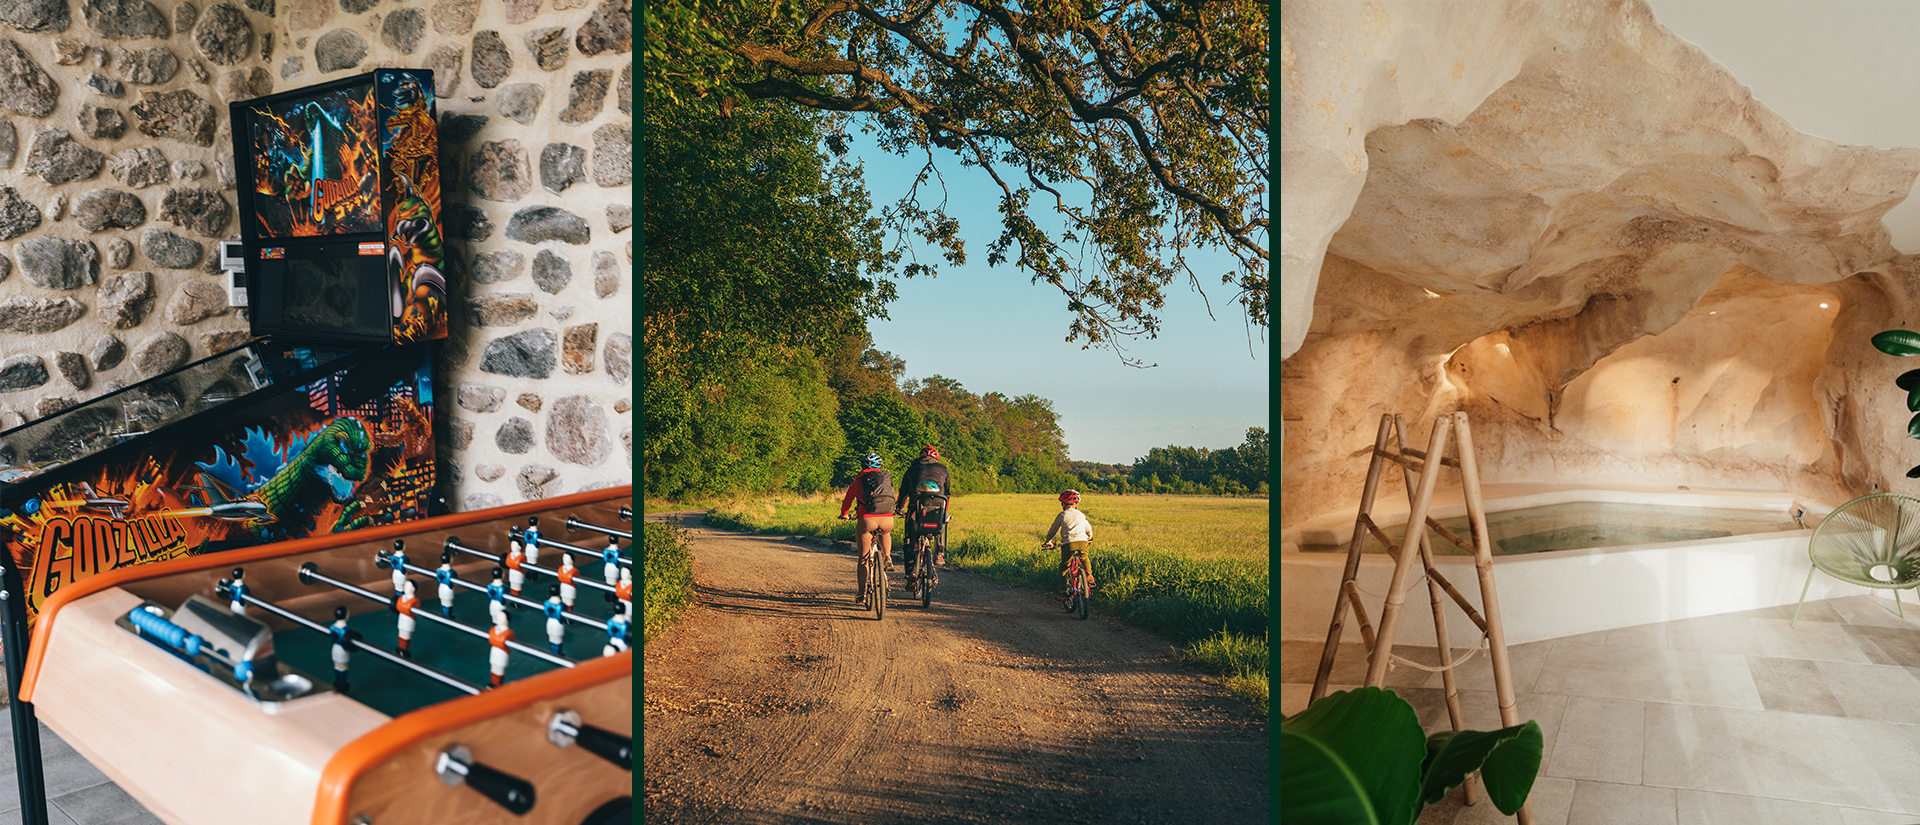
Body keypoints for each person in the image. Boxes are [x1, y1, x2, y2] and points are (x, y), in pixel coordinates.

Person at [838, 452, 897, 605]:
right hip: (887, 519)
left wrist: (844, 514)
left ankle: (861, 593)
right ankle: (887, 557)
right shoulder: (885, 480)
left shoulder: (857, 482)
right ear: (880, 466)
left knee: (863, 559)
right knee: (885, 532)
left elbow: (847, 501)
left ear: (862, 466)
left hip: (867, 520)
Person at [895, 445, 952, 590]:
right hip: (937, 510)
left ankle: (911, 575)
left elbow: (903, 493)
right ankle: (940, 553)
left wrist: (899, 508)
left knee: (909, 540)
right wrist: (944, 510)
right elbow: (947, 494)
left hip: (916, 509)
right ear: (936, 458)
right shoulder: (943, 469)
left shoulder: (911, 469)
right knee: (943, 521)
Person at [1040, 489, 1094, 601]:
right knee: (1084, 557)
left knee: (1064, 567)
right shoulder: (1080, 515)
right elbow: (1088, 528)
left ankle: (1064, 591)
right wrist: (1089, 536)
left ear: (1063, 504)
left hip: (1068, 544)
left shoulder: (1062, 515)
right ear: (1076, 504)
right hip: (1083, 541)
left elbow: (1053, 530)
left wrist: (1048, 541)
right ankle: (1088, 574)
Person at [394, 579, 419, 659]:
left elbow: (403, 607)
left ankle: (404, 651)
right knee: (400, 634)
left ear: (413, 589)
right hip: (402, 618)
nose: (406, 588)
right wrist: (404, 608)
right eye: (405, 586)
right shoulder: (402, 597)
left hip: (408, 620)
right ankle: (400, 649)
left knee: (406, 635)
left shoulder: (415, 601)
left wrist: (403, 608)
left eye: (408, 586)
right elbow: (398, 606)